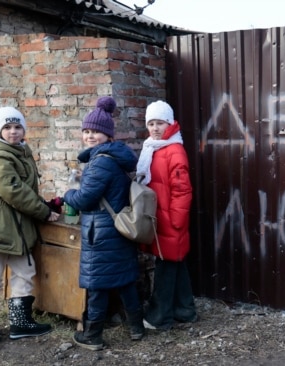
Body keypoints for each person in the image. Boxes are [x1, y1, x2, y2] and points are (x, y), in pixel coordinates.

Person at [0, 106, 60, 343]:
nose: (13, 132)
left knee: (24, 272)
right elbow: (12, 190)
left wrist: (46, 206)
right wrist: (42, 212)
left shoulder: (21, 151)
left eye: (17, 127)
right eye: (7, 127)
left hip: (19, 224)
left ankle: (20, 323)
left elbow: (25, 189)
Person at [63, 96, 145, 351]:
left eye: (96, 132)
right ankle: (136, 328)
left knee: (97, 284)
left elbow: (85, 199)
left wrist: (67, 194)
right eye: (86, 131)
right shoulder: (115, 158)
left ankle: (92, 335)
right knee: (124, 280)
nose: (90, 136)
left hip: (100, 232)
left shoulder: (100, 162)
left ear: (108, 135)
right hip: (117, 229)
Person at [136, 100, 196, 330]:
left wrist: (176, 222)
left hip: (170, 220)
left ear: (169, 124)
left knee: (165, 266)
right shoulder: (152, 147)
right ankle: (185, 310)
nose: (155, 128)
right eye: (151, 123)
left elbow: (182, 189)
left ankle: (159, 317)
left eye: (159, 123)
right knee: (175, 263)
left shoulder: (174, 151)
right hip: (158, 218)